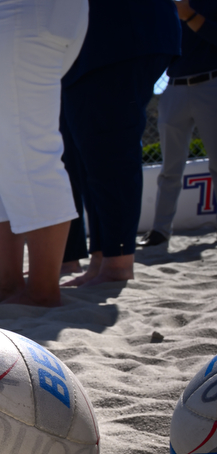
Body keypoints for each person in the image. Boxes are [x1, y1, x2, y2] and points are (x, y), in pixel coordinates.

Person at [0, 2, 88, 305]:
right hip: (3, 16)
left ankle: (43, 289)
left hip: (26, 12)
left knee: (27, 147)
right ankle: (10, 282)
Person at [61, 0, 181, 287]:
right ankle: (102, 258)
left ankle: (117, 263)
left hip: (117, 34)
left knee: (108, 147)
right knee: (89, 154)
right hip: (92, 45)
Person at [141, 0, 217, 248]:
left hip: (211, 84)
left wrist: (190, 15)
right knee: (170, 168)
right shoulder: (169, 6)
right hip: (173, 88)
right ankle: (160, 231)